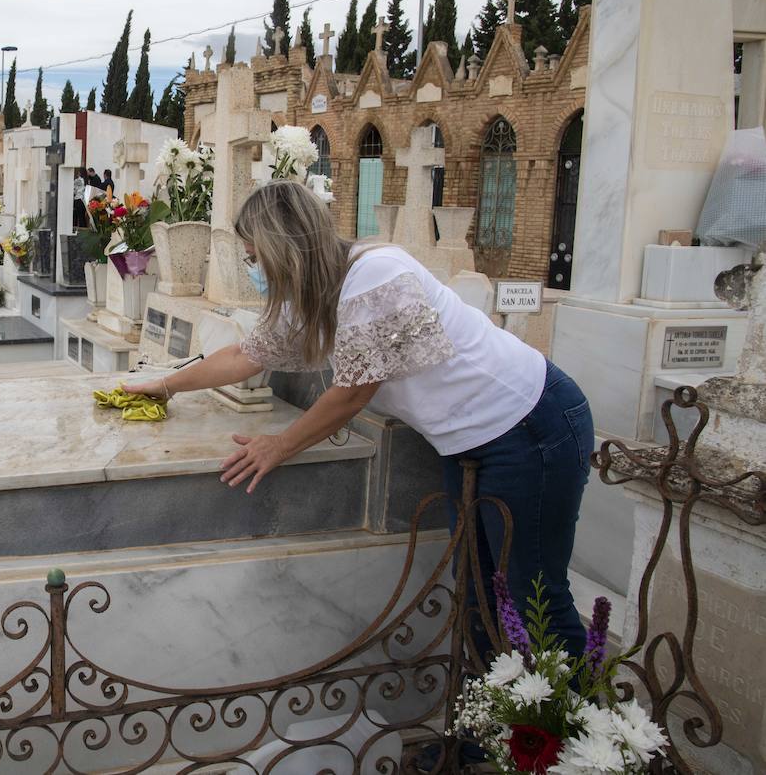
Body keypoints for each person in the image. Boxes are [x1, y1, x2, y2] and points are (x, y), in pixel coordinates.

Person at [123, 181, 594, 661]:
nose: (253, 270)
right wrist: (165, 385)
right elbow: (245, 355)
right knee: (476, 592)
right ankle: (493, 734)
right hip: (470, 441)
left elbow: (352, 393)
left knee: (534, 599)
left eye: (254, 256)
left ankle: (576, 731)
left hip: (529, 426)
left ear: (285, 249)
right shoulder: (307, 297)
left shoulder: (375, 276)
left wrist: (280, 445)